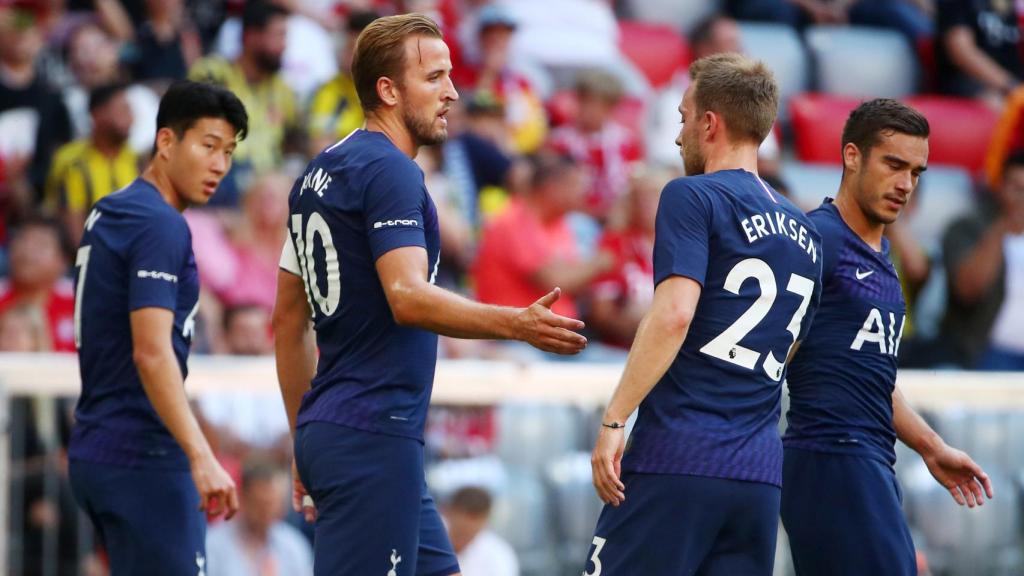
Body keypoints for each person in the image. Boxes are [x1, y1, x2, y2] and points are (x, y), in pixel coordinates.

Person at [272, 13, 587, 576]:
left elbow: (288, 321)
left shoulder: (315, 175)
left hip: (350, 432)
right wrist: (514, 324)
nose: (453, 92)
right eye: (435, 78)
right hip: (372, 435)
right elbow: (407, 295)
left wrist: (306, 437)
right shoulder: (391, 172)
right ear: (388, 91)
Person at [586, 53, 823, 575]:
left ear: (708, 123)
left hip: (677, 456)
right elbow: (795, 347)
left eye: (682, 119)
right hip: (758, 477)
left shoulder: (691, 196)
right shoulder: (807, 233)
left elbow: (673, 315)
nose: (677, 137)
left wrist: (614, 419)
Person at [781, 98, 993, 575]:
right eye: (893, 164)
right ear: (851, 156)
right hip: (830, 458)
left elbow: (869, 375)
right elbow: (770, 350)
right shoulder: (819, 242)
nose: (905, 185)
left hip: (865, 460)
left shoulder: (879, 255)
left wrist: (931, 446)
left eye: (916, 172)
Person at [67, 80, 248, 576]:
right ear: (166, 142)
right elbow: (150, 352)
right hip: (140, 455)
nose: (219, 165)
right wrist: (201, 455)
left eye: (229, 153)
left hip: (97, 446)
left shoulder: (112, 208)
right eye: (208, 145)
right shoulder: (158, 223)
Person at [941, 150, 1024, 369]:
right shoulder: (968, 228)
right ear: (1000, 187)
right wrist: (1003, 226)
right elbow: (968, 290)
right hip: (987, 354)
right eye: (1017, 188)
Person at [46, 82, 139, 246]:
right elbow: (73, 231)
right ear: (97, 115)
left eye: (129, 110)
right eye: (122, 110)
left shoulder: (137, 161)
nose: (130, 118)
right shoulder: (74, 163)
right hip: (89, 257)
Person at [206, 459, 314, 576]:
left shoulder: (294, 545)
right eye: (260, 504)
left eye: (273, 503)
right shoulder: (214, 543)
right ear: (243, 498)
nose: (267, 512)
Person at [0, 215, 74, 352]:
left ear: (63, 261)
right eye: (22, 240)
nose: (28, 251)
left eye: (40, 245)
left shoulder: (80, 303)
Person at [443, 486, 519, 576]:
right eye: (460, 533)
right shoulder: (427, 539)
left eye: (471, 534)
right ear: (447, 512)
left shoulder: (500, 556)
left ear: (485, 523)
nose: (463, 540)